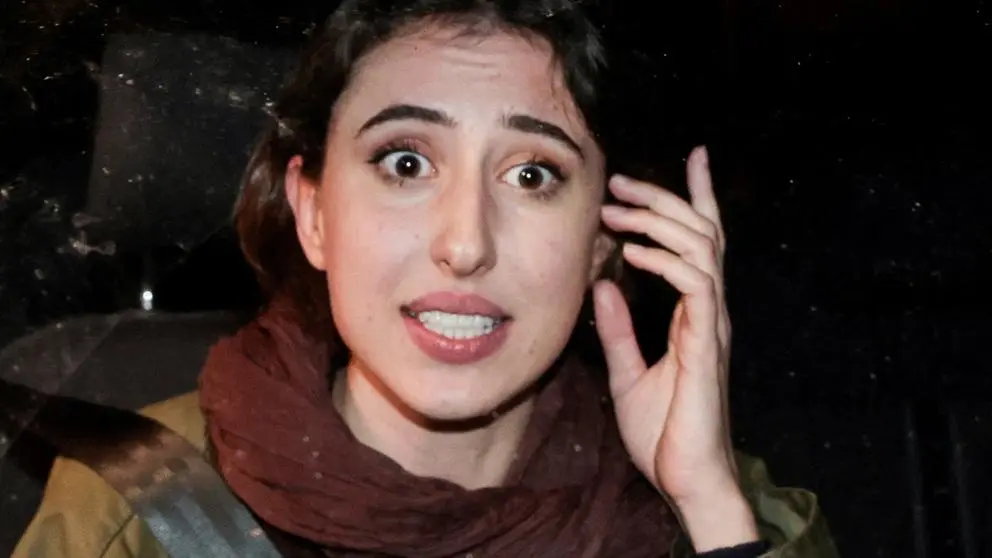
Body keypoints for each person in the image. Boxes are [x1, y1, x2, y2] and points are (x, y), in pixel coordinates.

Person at [14, 0, 837, 556]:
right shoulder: (135, 505)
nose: (465, 244)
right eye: (405, 163)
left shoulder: (722, 505)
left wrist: (709, 508)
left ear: (602, 242)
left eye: (532, 175)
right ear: (314, 214)